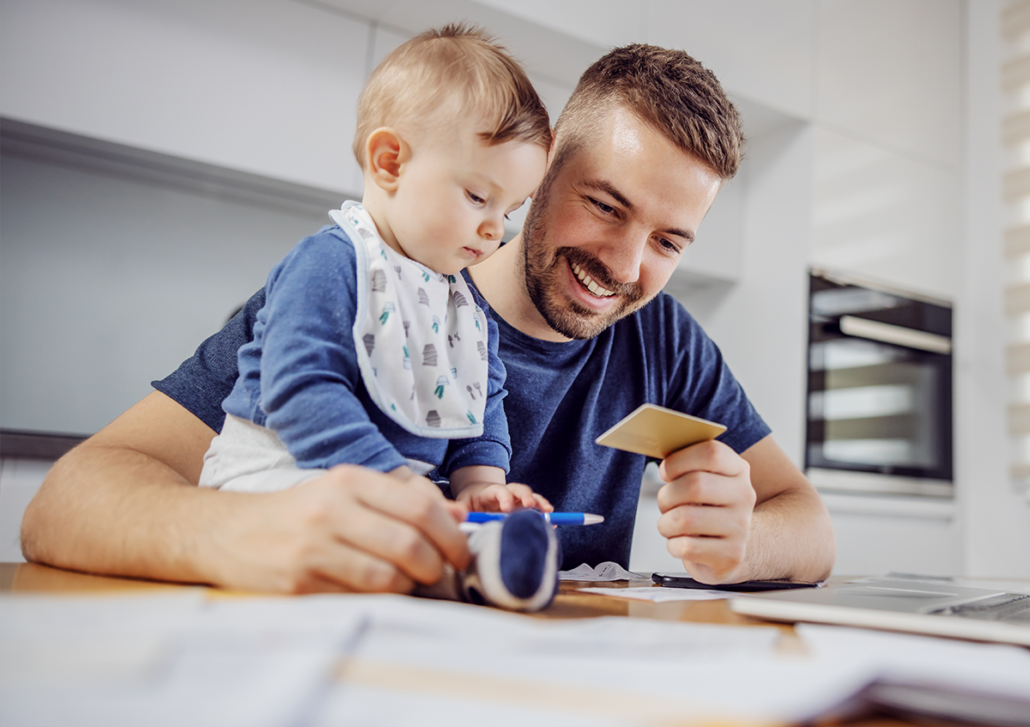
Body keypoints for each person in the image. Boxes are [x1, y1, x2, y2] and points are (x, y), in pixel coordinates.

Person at [21, 39, 836, 593]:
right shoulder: (355, 286)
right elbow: (65, 502)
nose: (625, 266)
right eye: (605, 205)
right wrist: (236, 533)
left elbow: (810, 525)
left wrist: (743, 542)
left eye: (669, 240)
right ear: (541, 167)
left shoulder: (664, 342)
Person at [198, 24, 551, 521]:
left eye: (509, 211)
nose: (495, 230)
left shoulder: (464, 309)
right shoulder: (331, 264)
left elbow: (480, 410)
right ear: (389, 163)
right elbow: (300, 390)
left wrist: (481, 486)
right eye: (478, 197)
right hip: (272, 483)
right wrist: (394, 479)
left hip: (384, 495)